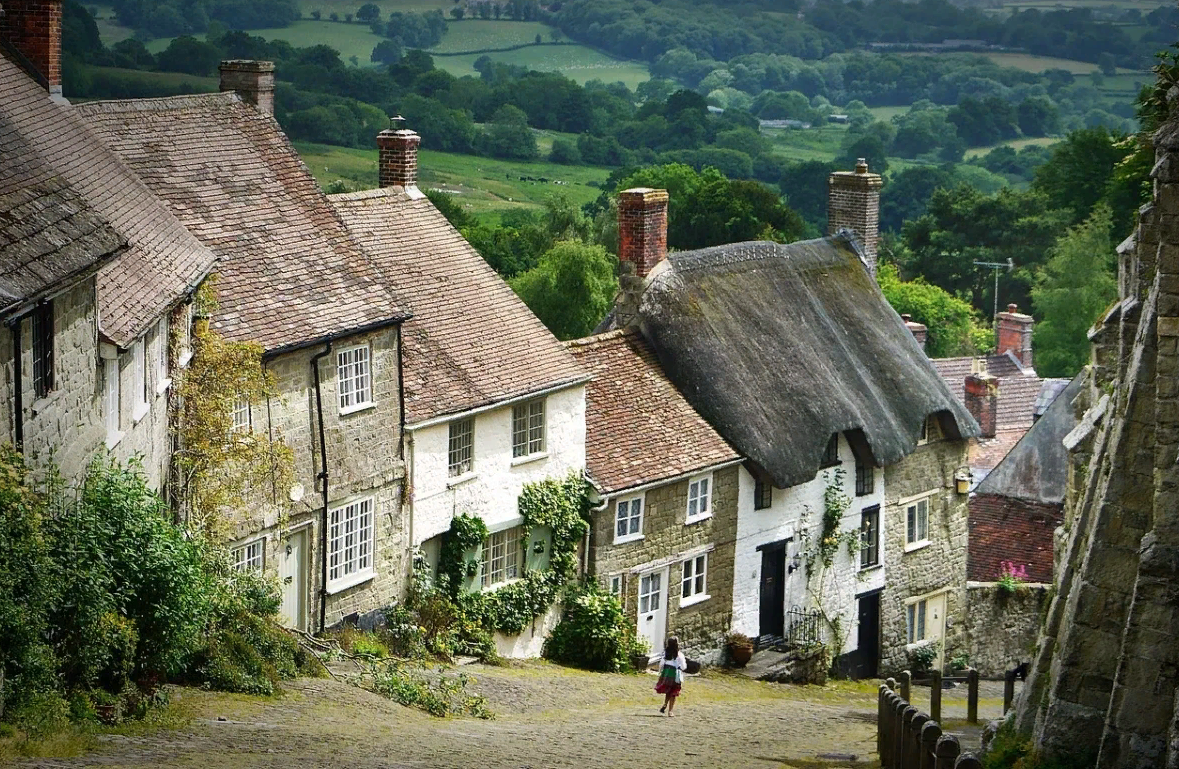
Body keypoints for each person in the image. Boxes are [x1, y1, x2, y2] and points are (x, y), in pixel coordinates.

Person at [655, 636, 687, 717]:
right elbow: (684, 667)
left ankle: (665, 704)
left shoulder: (665, 653)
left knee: (668, 690)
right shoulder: (679, 655)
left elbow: (662, 663)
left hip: (667, 672)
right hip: (675, 674)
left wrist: (660, 672)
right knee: (674, 692)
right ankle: (670, 711)